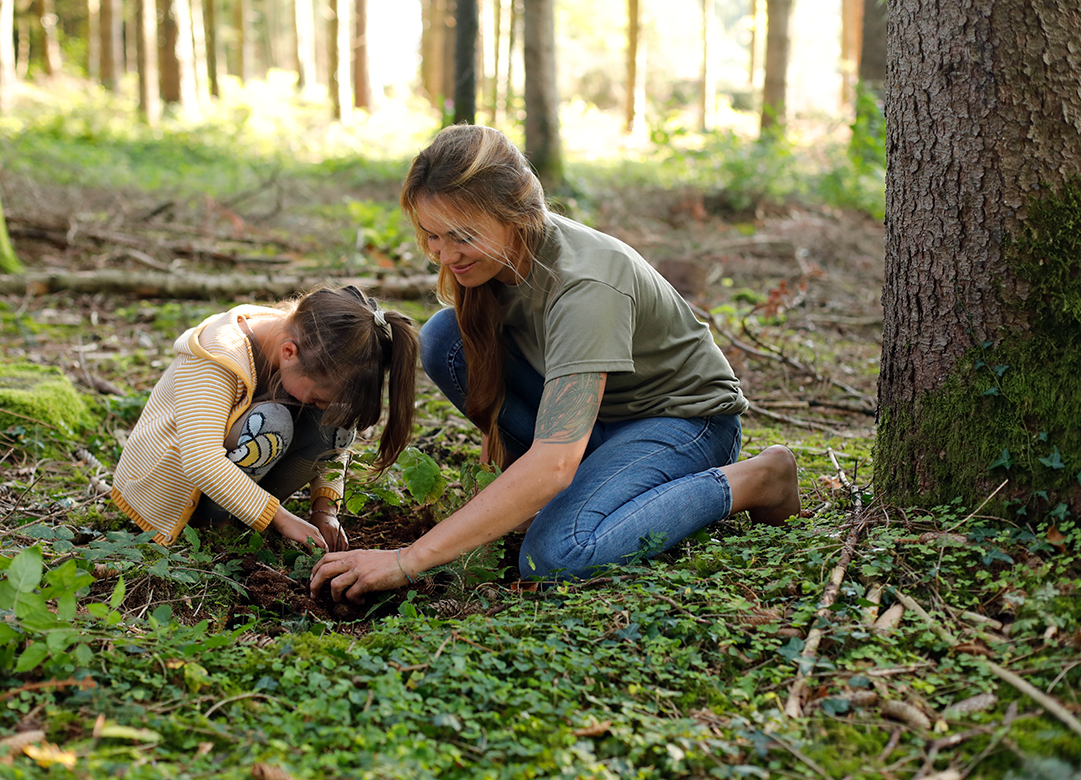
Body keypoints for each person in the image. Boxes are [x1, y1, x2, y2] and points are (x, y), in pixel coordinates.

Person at [310, 125, 799, 602]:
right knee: (444, 337)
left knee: (555, 556)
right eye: (431, 235)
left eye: (460, 236)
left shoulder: (584, 286)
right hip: (595, 420)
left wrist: (407, 559)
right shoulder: (489, 261)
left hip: (683, 423)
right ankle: (568, 491)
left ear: (515, 215)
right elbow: (491, 375)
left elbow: (555, 462)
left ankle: (757, 478)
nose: (444, 253)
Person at [112, 286, 418, 552]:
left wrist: (325, 510)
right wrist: (282, 521)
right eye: (317, 396)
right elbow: (200, 459)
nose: (320, 405)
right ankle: (214, 531)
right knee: (270, 423)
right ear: (289, 352)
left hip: (235, 479)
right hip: (172, 492)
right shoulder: (218, 355)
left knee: (336, 423)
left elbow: (331, 428)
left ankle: (245, 516)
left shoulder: (301, 339)